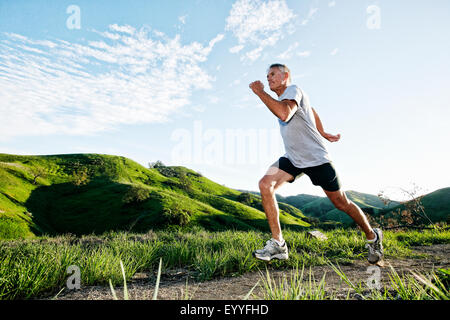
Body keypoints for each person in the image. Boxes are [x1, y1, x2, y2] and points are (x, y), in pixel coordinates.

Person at [249, 63, 383, 264]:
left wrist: (260, 93)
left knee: (341, 202)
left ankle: (373, 236)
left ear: (286, 76)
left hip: (316, 159)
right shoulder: (286, 97)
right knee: (265, 184)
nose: (268, 78)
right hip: (293, 158)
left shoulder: (293, 90)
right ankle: (278, 244)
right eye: (267, 76)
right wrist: (322, 131)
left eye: (273, 74)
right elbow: (311, 110)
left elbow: (284, 114)